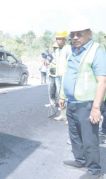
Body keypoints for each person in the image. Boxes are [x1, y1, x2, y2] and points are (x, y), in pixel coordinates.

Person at [59, 17, 106, 179]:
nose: (75, 38)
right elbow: (68, 73)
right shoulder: (72, 50)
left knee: (89, 138)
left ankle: (94, 170)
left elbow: (102, 81)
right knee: (75, 135)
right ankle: (80, 160)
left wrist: (96, 108)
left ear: (89, 33)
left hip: (87, 103)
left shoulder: (97, 51)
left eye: (79, 34)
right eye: (72, 35)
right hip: (72, 102)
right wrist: (62, 95)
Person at [53, 29, 71, 121]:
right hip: (58, 75)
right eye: (57, 39)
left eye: (60, 39)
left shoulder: (68, 49)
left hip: (65, 76)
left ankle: (68, 117)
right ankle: (63, 115)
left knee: (66, 96)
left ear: (65, 39)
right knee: (60, 95)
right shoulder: (57, 50)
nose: (58, 41)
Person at [45, 42, 58, 107]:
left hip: (58, 74)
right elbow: (49, 64)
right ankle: (52, 102)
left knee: (60, 90)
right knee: (51, 89)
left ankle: (62, 105)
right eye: (54, 48)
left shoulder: (61, 54)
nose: (55, 49)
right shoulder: (52, 55)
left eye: (56, 48)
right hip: (51, 74)